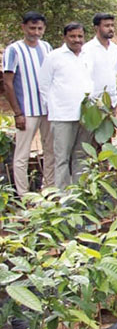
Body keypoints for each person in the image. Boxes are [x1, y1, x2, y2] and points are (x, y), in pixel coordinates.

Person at [3, 12, 55, 195]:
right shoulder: (14, 50)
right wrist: (17, 112)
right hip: (27, 110)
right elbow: (8, 82)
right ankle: (24, 194)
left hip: (47, 109)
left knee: (50, 151)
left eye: (39, 28)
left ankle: (48, 190)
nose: (36, 32)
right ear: (23, 27)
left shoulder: (47, 47)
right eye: (32, 28)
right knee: (22, 154)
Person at [38, 23, 94, 189]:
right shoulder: (54, 57)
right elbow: (44, 85)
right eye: (73, 36)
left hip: (85, 116)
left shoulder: (86, 55)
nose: (77, 40)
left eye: (80, 36)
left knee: (81, 156)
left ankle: (78, 194)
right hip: (62, 116)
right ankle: (62, 198)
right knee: (61, 158)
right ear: (65, 37)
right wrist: (53, 107)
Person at [82, 12, 117, 106]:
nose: (111, 29)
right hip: (94, 103)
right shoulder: (87, 49)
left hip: (112, 101)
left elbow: (114, 73)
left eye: (112, 25)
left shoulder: (115, 49)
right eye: (107, 26)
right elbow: (86, 76)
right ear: (96, 28)